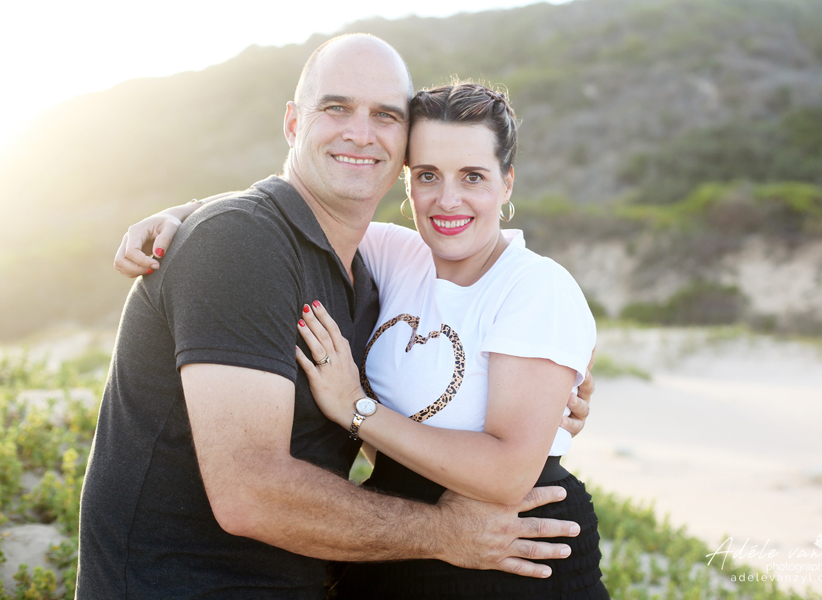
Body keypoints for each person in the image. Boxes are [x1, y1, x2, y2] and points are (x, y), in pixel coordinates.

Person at [82, 34, 593, 600]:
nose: (361, 133)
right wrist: (185, 213)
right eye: (336, 107)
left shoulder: (382, 268)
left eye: (385, 116)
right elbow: (251, 493)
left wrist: (358, 407)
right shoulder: (321, 250)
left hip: (489, 551)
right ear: (293, 123)